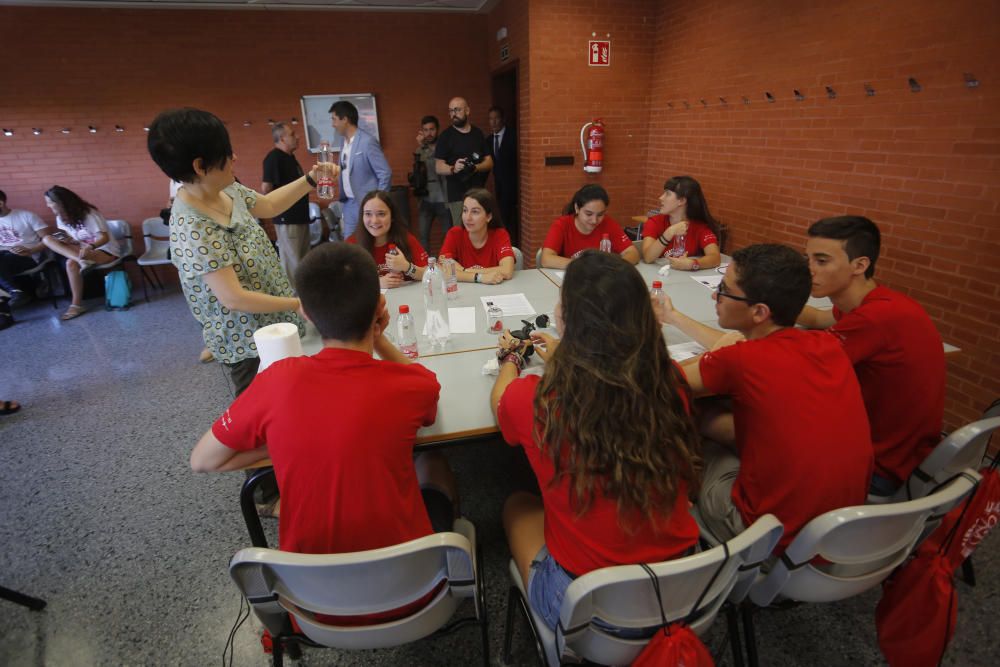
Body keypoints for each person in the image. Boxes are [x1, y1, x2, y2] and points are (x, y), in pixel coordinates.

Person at [190, 242, 458, 559]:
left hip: (308, 600)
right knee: (433, 462)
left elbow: (202, 461)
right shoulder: (412, 386)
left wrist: (287, 444)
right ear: (380, 306)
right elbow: (429, 393)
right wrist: (380, 339)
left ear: (306, 311)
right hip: (415, 590)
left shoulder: (276, 379)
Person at [491, 250, 701, 630]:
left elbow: (501, 402)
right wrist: (563, 357)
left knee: (517, 505)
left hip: (590, 612)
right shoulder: (668, 379)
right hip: (686, 588)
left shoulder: (536, 399)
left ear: (566, 318)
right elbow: (609, 379)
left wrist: (510, 359)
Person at [657, 243, 873, 551]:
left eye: (724, 290)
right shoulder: (826, 346)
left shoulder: (742, 361)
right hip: (841, 528)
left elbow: (656, 383)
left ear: (759, 312)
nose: (713, 296)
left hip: (768, 534)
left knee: (682, 420)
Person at [147, 107, 338, 396]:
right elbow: (232, 298)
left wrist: (311, 178)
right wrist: (296, 303)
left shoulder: (225, 189)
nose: (234, 158)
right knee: (260, 409)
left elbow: (269, 205)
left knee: (293, 394)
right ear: (200, 166)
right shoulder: (193, 225)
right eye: (226, 153)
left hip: (275, 318)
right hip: (246, 341)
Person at [798, 216, 945, 495]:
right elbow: (818, 318)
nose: (809, 270)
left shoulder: (874, 319)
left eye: (821, 261)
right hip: (910, 456)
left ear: (860, 265)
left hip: (879, 469)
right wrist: (773, 298)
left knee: (731, 420)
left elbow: (794, 370)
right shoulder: (877, 301)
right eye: (806, 258)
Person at [41, 185, 122, 321]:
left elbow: (104, 238)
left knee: (70, 263)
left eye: (50, 202)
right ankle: (77, 301)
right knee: (47, 239)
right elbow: (76, 239)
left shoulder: (89, 213)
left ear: (60, 202)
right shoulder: (61, 218)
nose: (48, 205)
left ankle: (76, 304)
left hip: (105, 250)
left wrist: (90, 247)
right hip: (82, 251)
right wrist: (68, 240)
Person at [331, 100, 392, 239]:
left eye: (334, 119)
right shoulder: (343, 142)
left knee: (370, 242)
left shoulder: (367, 141)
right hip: (348, 204)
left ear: (345, 119)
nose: (332, 124)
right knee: (349, 244)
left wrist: (379, 201)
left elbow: (385, 173)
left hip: (368, 205)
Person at [540, 184, 639, 268]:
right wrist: (586, 267)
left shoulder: (608, 223)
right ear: (577, 208)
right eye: (588, 214)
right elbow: (546, 259)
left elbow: (633, 254)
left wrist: (613, 267)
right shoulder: (562, 225)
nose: (594, 220)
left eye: (600, 214)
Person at [261, 122, 311, 287]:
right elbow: (266, 188)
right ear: (282, 138)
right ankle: (293, 303)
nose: (297, 137)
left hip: (300, 217)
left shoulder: (290, 158)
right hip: (287, 218)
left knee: (303, 260)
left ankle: (305, 297)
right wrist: (277, 208)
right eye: (293, 134)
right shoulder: (273, 158)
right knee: (292, 262)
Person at [347, 190, 428, 289]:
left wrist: (406, 267)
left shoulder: (405, 238)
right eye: (368, 214)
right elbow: (341, 283)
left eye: (381, 214)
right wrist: (375, 283)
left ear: (392, 216)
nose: (374, 220)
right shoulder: (351, 244)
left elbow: (429, 273)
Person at [434, 97, 494, 227]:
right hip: (457, 196)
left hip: (478, 193)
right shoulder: (445, 136)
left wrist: (476, 167)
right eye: (451, 111)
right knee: (461, 232)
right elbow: (438, 166)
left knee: (480, 229)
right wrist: (453, 168)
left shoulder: (477, 133)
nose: (453, 114)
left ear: (467, 111)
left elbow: (489, 162)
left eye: (457, 109)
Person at [641, 176, 722, 270]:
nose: (661, 198)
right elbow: (648, 257)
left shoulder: (700, 227)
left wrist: (692, 264)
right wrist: (669, 232)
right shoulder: (654, 222)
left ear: (682, 201)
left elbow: (715, 257)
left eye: (667, 194)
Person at [438, 188, 514, 285]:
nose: (468, 217)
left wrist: (463, 271)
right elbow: (443, 268)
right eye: (465, 210)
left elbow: (507, 271)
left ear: (489, 216)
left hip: (494, 291)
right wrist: (480, 277)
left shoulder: (499, 234)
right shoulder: (455, 234)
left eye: (475, 212)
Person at [0, 189, 52, 308]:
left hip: (27, 257)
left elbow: (48, 240)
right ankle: (15, 292)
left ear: (1, 203)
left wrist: (30, 251)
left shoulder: (26, 216)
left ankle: (15, 292)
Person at [414, 115, 452, 252]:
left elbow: (436, 165)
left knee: (448, 236)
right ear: (422, 132)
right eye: (425, 130)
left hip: (443, 199)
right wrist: (422, 147)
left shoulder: (444, 147)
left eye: (432, 129)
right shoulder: (420, 150)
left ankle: (446, 264)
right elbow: (420, 170)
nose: (429, 133)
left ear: (437, 130)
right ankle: (426, 269)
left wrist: (423, 146)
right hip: (425, 199)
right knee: (423, 237)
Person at [487, 105, 519, 247]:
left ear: (502, 119)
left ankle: (512, 247)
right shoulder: (488, 140)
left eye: (496, 118)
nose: (493, 122)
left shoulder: (513, 136)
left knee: (510, 219)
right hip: (497, 188)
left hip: (513, 186)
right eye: (490, 119)